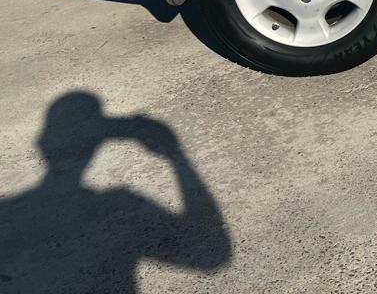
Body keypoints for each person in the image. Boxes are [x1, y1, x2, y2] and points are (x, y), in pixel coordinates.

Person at [0, 91, 232, 293]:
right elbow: (213, 257)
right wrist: (176, 157)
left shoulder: (8, 215)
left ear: (42, 142)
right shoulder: (119, 202)